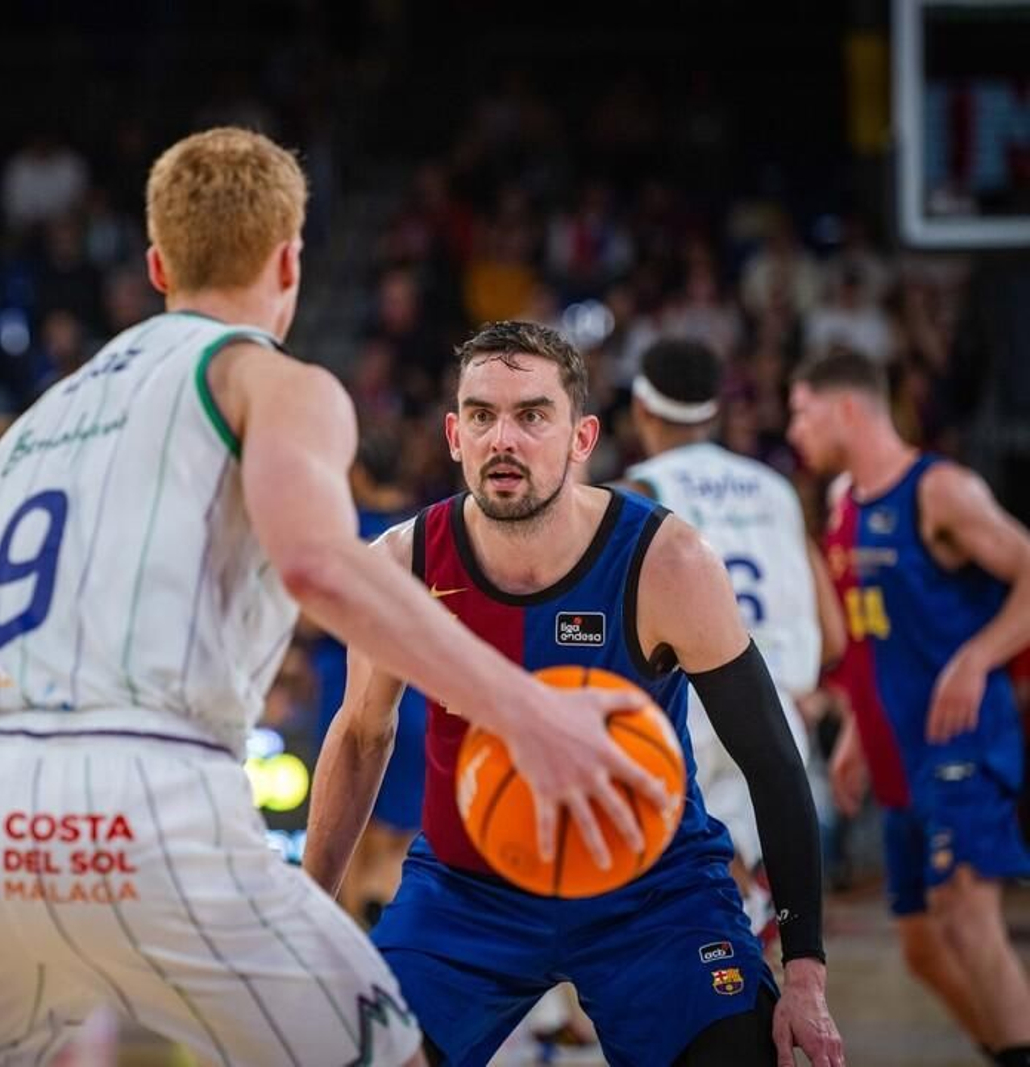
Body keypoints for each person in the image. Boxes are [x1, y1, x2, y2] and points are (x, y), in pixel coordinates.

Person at [0, 128, 667, 1067]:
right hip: (141, 793)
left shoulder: (31, 427)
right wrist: (525, 710)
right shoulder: (268, 379)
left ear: (157, 265)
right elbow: (319, 564)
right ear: (290, 259)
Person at [306, 322, 843, 1067]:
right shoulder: (401, 563)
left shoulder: (668, 561)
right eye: (484, 416)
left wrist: (807, 969)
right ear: (455, 435)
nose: (505, 438)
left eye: (532, 415)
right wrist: (306, 915)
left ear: (581, 437)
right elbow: (362, 735)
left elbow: (774, 761)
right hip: (470, 892)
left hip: (651, 893)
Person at [788, 349, 1030, 1067]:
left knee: (967, 913)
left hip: (963, 738)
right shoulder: (841, 503)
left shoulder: (940, 489)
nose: (794, 428)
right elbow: (870, 636)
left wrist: (980, 654)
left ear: (848, 409)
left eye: (803, 411)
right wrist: (858, 729)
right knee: (924, 948)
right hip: (896, 748)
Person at [625, 338, 846, 935]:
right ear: (716, 410)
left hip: (688, 711)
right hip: (778, 718)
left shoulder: (638, 491)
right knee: (755, 909)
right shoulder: (776, 491)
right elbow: (832, 634)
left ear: (642, 410)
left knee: (674, 913)